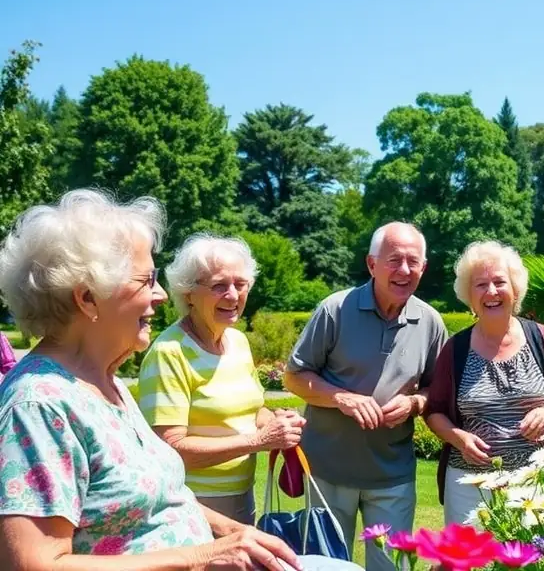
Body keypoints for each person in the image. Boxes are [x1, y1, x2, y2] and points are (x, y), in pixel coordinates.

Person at [0, 189, 299, 570]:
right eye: (147, 280)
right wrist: (202, 555)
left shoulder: (105, 381)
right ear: (88, 298)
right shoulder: (40, 405)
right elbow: (33, 564)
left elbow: (162, 495)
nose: (160, 295)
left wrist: (233, 531)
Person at [283, 222, 447, 571]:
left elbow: (438, 391)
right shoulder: (335, 309)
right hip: (326, 472)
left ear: (424, 267)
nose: (404, 270)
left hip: (392, 477)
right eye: (394, 260)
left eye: (413, 261)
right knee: (325, 567)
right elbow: (294, 377)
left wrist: (415, 403)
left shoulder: (431, 322)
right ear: (372, 264)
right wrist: (343, 398)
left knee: (391, 568)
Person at [138, 234, 305, 525]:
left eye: (241, 284)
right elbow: (169, 450)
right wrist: (259, 441)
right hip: (190, 506)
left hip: (243, 496)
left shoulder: (238, 342)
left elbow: (253, 410)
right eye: (219, 286)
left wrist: (277, 423)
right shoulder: (169, 352)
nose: (233, 295)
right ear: (188, 293)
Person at [425, 240, 544, 526]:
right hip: (471, 485)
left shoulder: (543, 338)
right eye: (480, 285)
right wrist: (458, 438)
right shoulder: (456, 348)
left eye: (500, 282)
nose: (491, 292)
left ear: (515, 289)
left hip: (539, 482)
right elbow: (433, 411)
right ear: (469, 296)